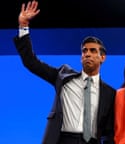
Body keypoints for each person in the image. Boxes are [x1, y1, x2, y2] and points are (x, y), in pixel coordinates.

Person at [13, 1, 116, 144]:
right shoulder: (63, 77)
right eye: (84, 51)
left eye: (93, 51)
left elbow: (109, 132)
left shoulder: (110, 93)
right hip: (63, 140)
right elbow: (31, 62)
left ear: (102, 57)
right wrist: (23, 26)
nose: (87, 54)